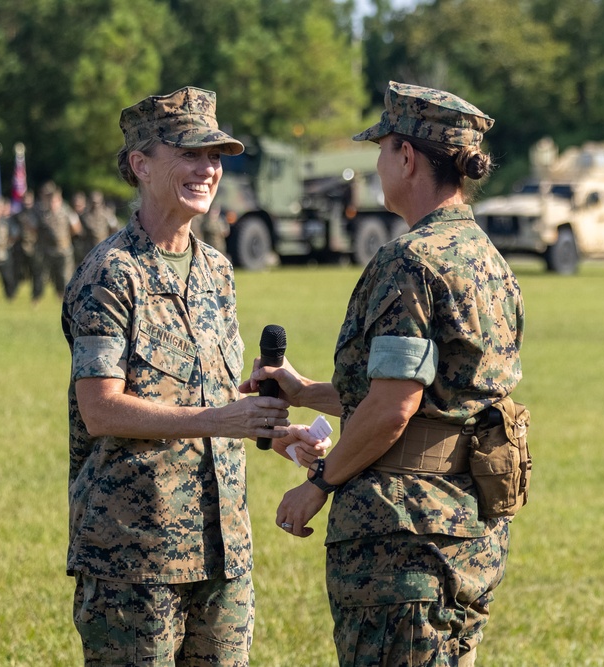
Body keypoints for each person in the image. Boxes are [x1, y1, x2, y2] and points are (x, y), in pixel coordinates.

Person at [245, 81, 526, 666]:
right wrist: (305, 393)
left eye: (382, 149)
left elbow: (395, 407)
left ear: (406, 156)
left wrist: (318, 485)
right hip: (465, 529)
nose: (375, 164)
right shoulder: (484, 256)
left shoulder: (411, 260)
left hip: (404, 538)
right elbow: (427, 397)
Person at [61, 86, 327, 666]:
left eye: (215, 155)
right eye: (189, 153)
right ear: (141, 164)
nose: (208, 168)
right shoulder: (111, 275)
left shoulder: (216, 271)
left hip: (223, 549)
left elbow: (212, 395)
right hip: (135, 555)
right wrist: (221, 418)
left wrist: (276, 433)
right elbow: (100, 408)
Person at [36, 182, 78, 301]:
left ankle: (65, 298)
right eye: (51, 201)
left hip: (64, 249)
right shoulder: (42, 214)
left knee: (64, 276)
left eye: (55, 201)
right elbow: (33, 228)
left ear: (59, 200)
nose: (53, 204)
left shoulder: (67, 212)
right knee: (42, 276)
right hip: (47, 249)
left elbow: (76, 228)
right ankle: (37, 298)